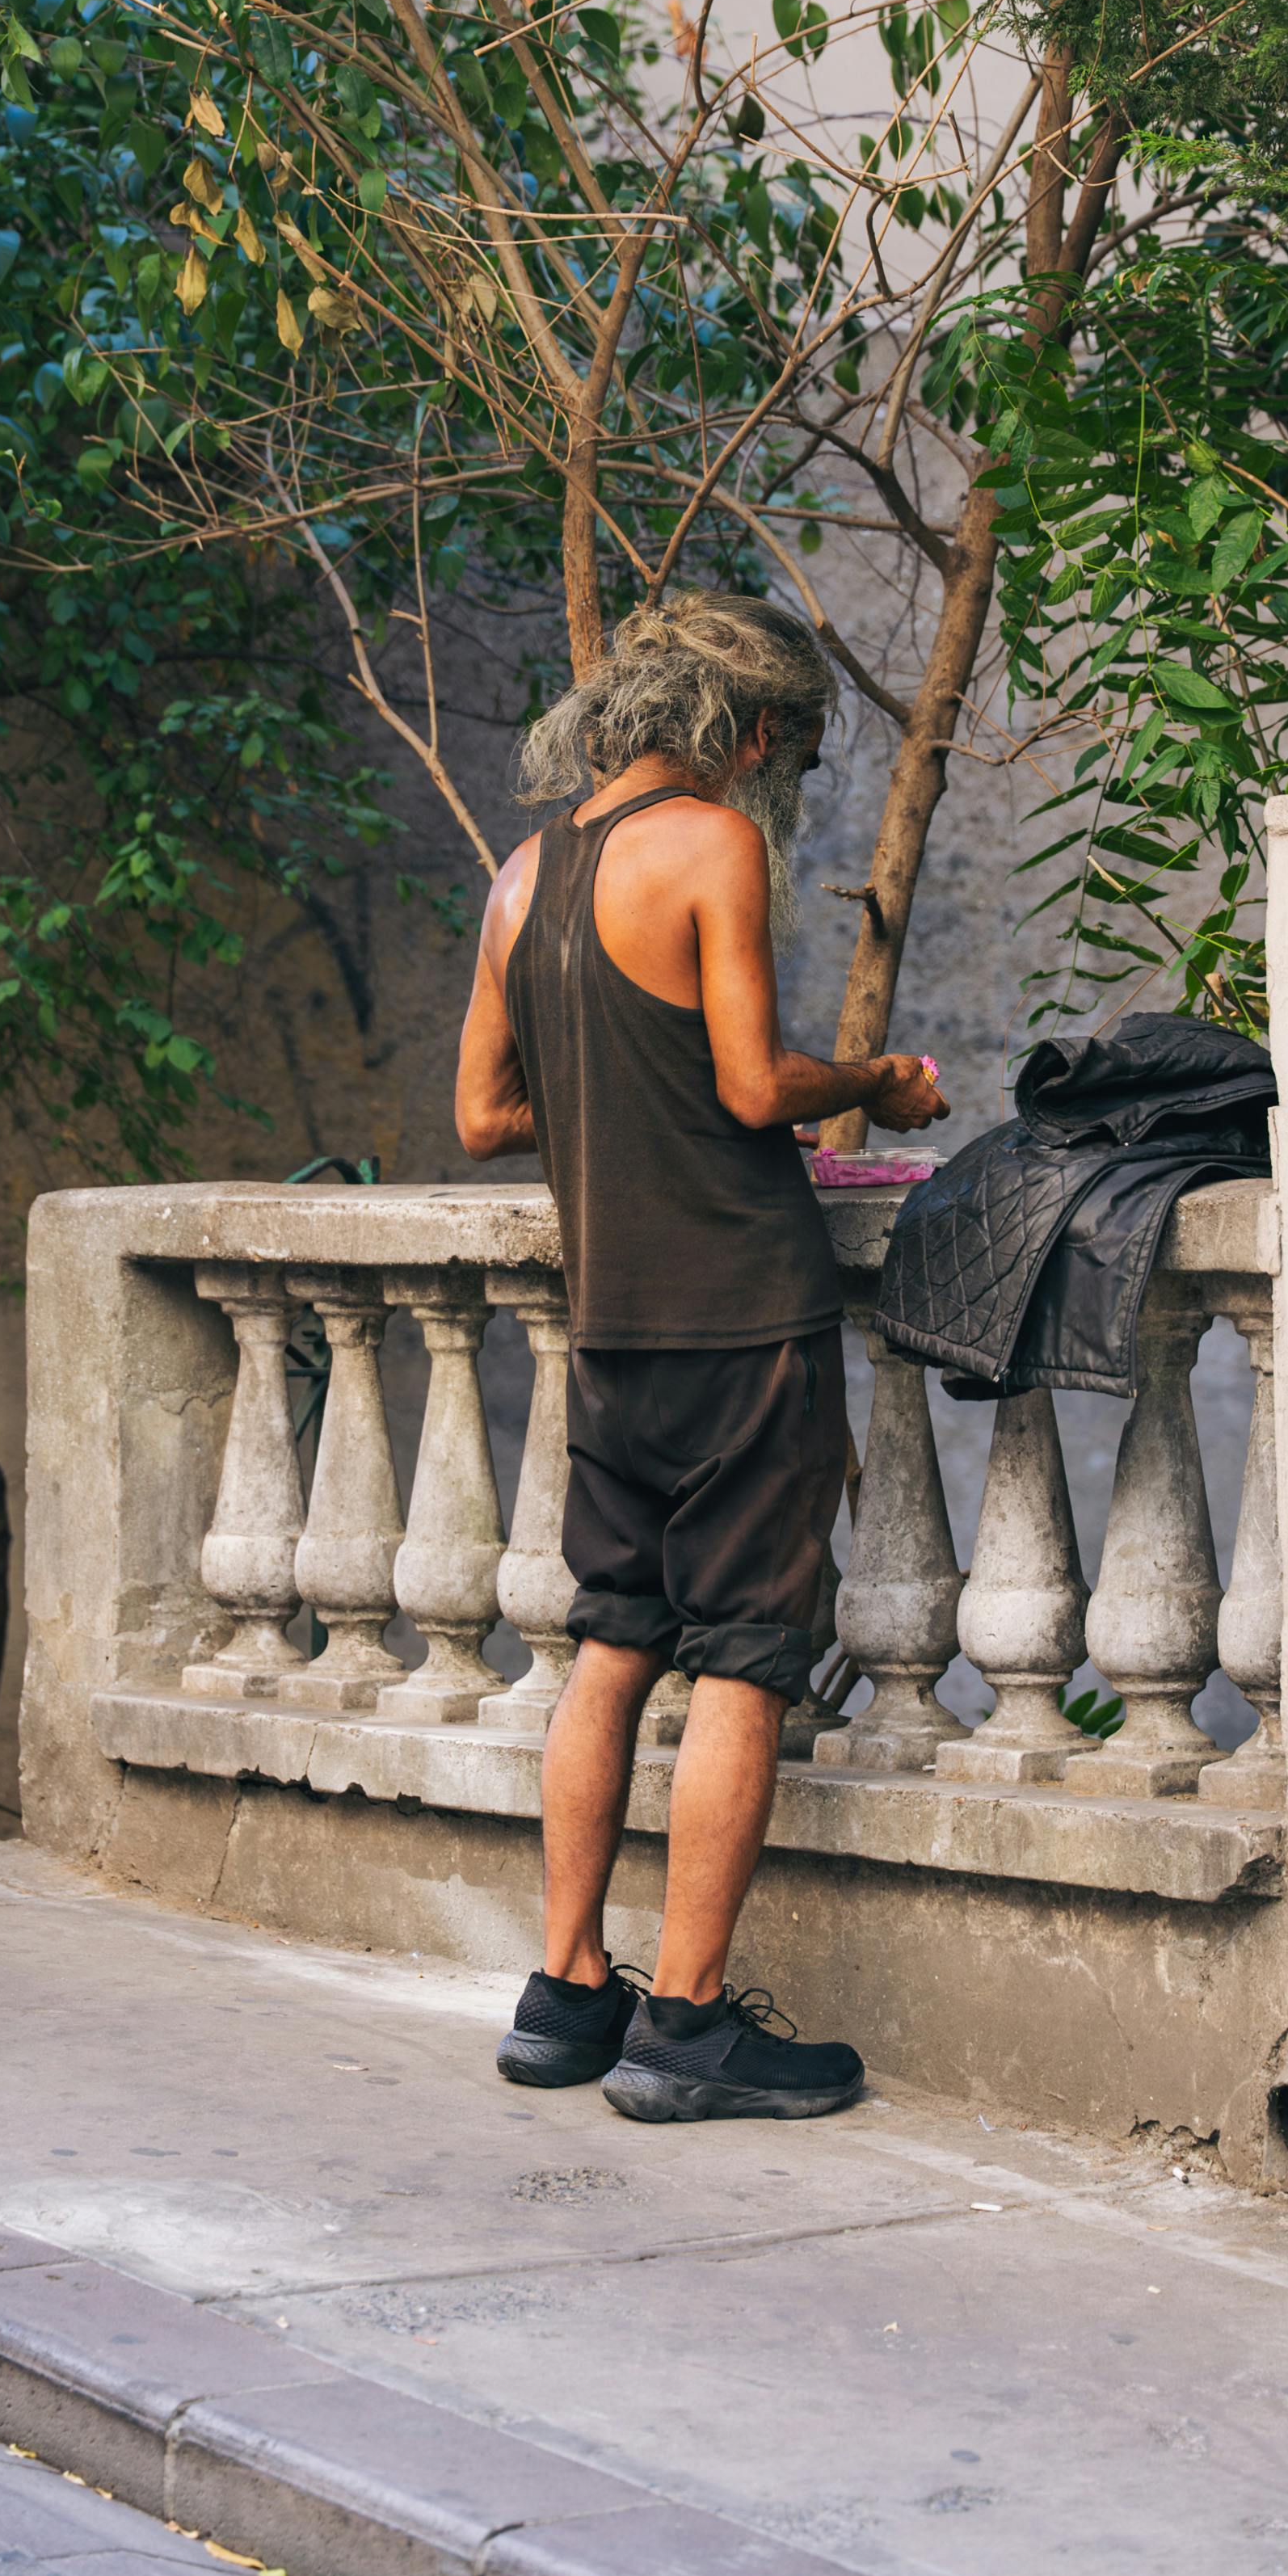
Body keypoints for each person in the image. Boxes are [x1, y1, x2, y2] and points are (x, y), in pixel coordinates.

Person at [454, 591, 949, 2122]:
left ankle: (566, 1992)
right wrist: (872, 1077)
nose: (765, 787)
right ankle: (684, 2024)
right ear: (737, 736)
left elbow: (483, 1116)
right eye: (774, 757)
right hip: (743, 1318)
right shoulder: (712, 844)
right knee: (744, 1655)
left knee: (612, 1645)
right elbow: (750, 1087)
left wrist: (621, 1096)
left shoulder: (520, 877)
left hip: (613, 1326)